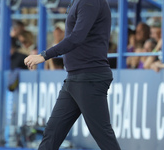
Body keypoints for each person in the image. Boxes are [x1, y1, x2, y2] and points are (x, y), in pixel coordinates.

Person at [24, 0, 121, 150]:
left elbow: (77, 37)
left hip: (89, 77)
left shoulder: (90, 2)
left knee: (103, 136)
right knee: (52, 132)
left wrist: (44, 55)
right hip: (75, 78)